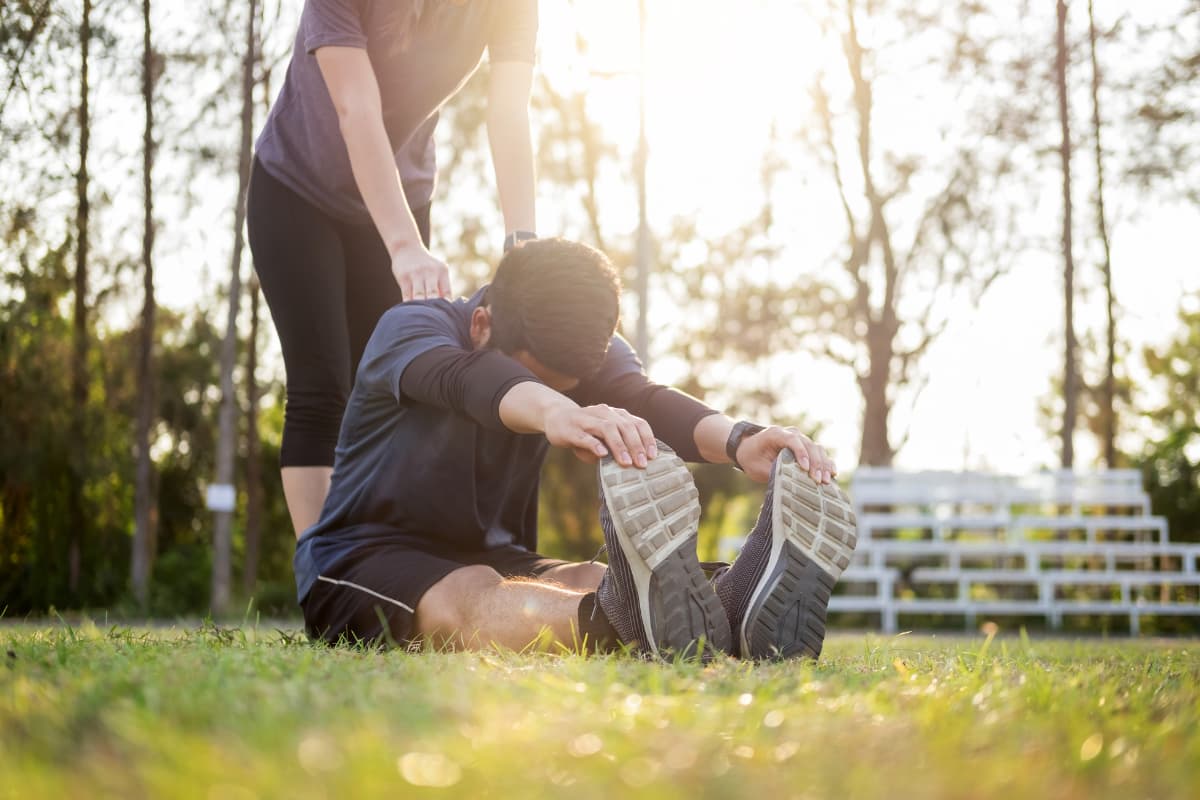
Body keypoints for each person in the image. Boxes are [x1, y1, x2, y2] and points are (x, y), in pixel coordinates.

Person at [296, 238, 859, 659]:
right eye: (544, 382)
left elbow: (642, 398)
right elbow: (464, 382)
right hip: (360, 557)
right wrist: (560, 412)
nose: (564, 395)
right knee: (471, 594)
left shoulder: (583, 347)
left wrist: (742, 440)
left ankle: (732, 599)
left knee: (585, 578)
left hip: (496, 550)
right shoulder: (413, 328)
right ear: (482, 324)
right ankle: (633, 623)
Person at [247, 0, 539, 538]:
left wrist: (524, 248)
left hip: (402, 195)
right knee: (322, 385)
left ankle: (378, 558)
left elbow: (508, 113)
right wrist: (403, 246)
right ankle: (323, 577)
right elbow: (357, 109)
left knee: (390, 386)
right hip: (296, 191)